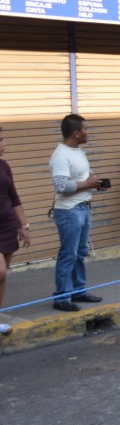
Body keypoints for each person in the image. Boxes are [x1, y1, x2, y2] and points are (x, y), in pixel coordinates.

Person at [49, 114, 107, 312]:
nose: (87, 132)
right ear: (76, 133)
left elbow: (80, 180)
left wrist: (92, 184)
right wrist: (87, 184)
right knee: (69, 253)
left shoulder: (78, 151)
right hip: (69, 211)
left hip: (83, 206)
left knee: (80, 252)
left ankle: (78, 290)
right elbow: (61, 186)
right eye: (85, 129)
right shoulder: (60, 155)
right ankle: (62, 297)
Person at [0, 126, 31, 335]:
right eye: (1, 140)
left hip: (7, 226)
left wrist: (24, 225)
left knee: (2, 277)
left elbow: (14, 197)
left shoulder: (4, 166)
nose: (4, 144)